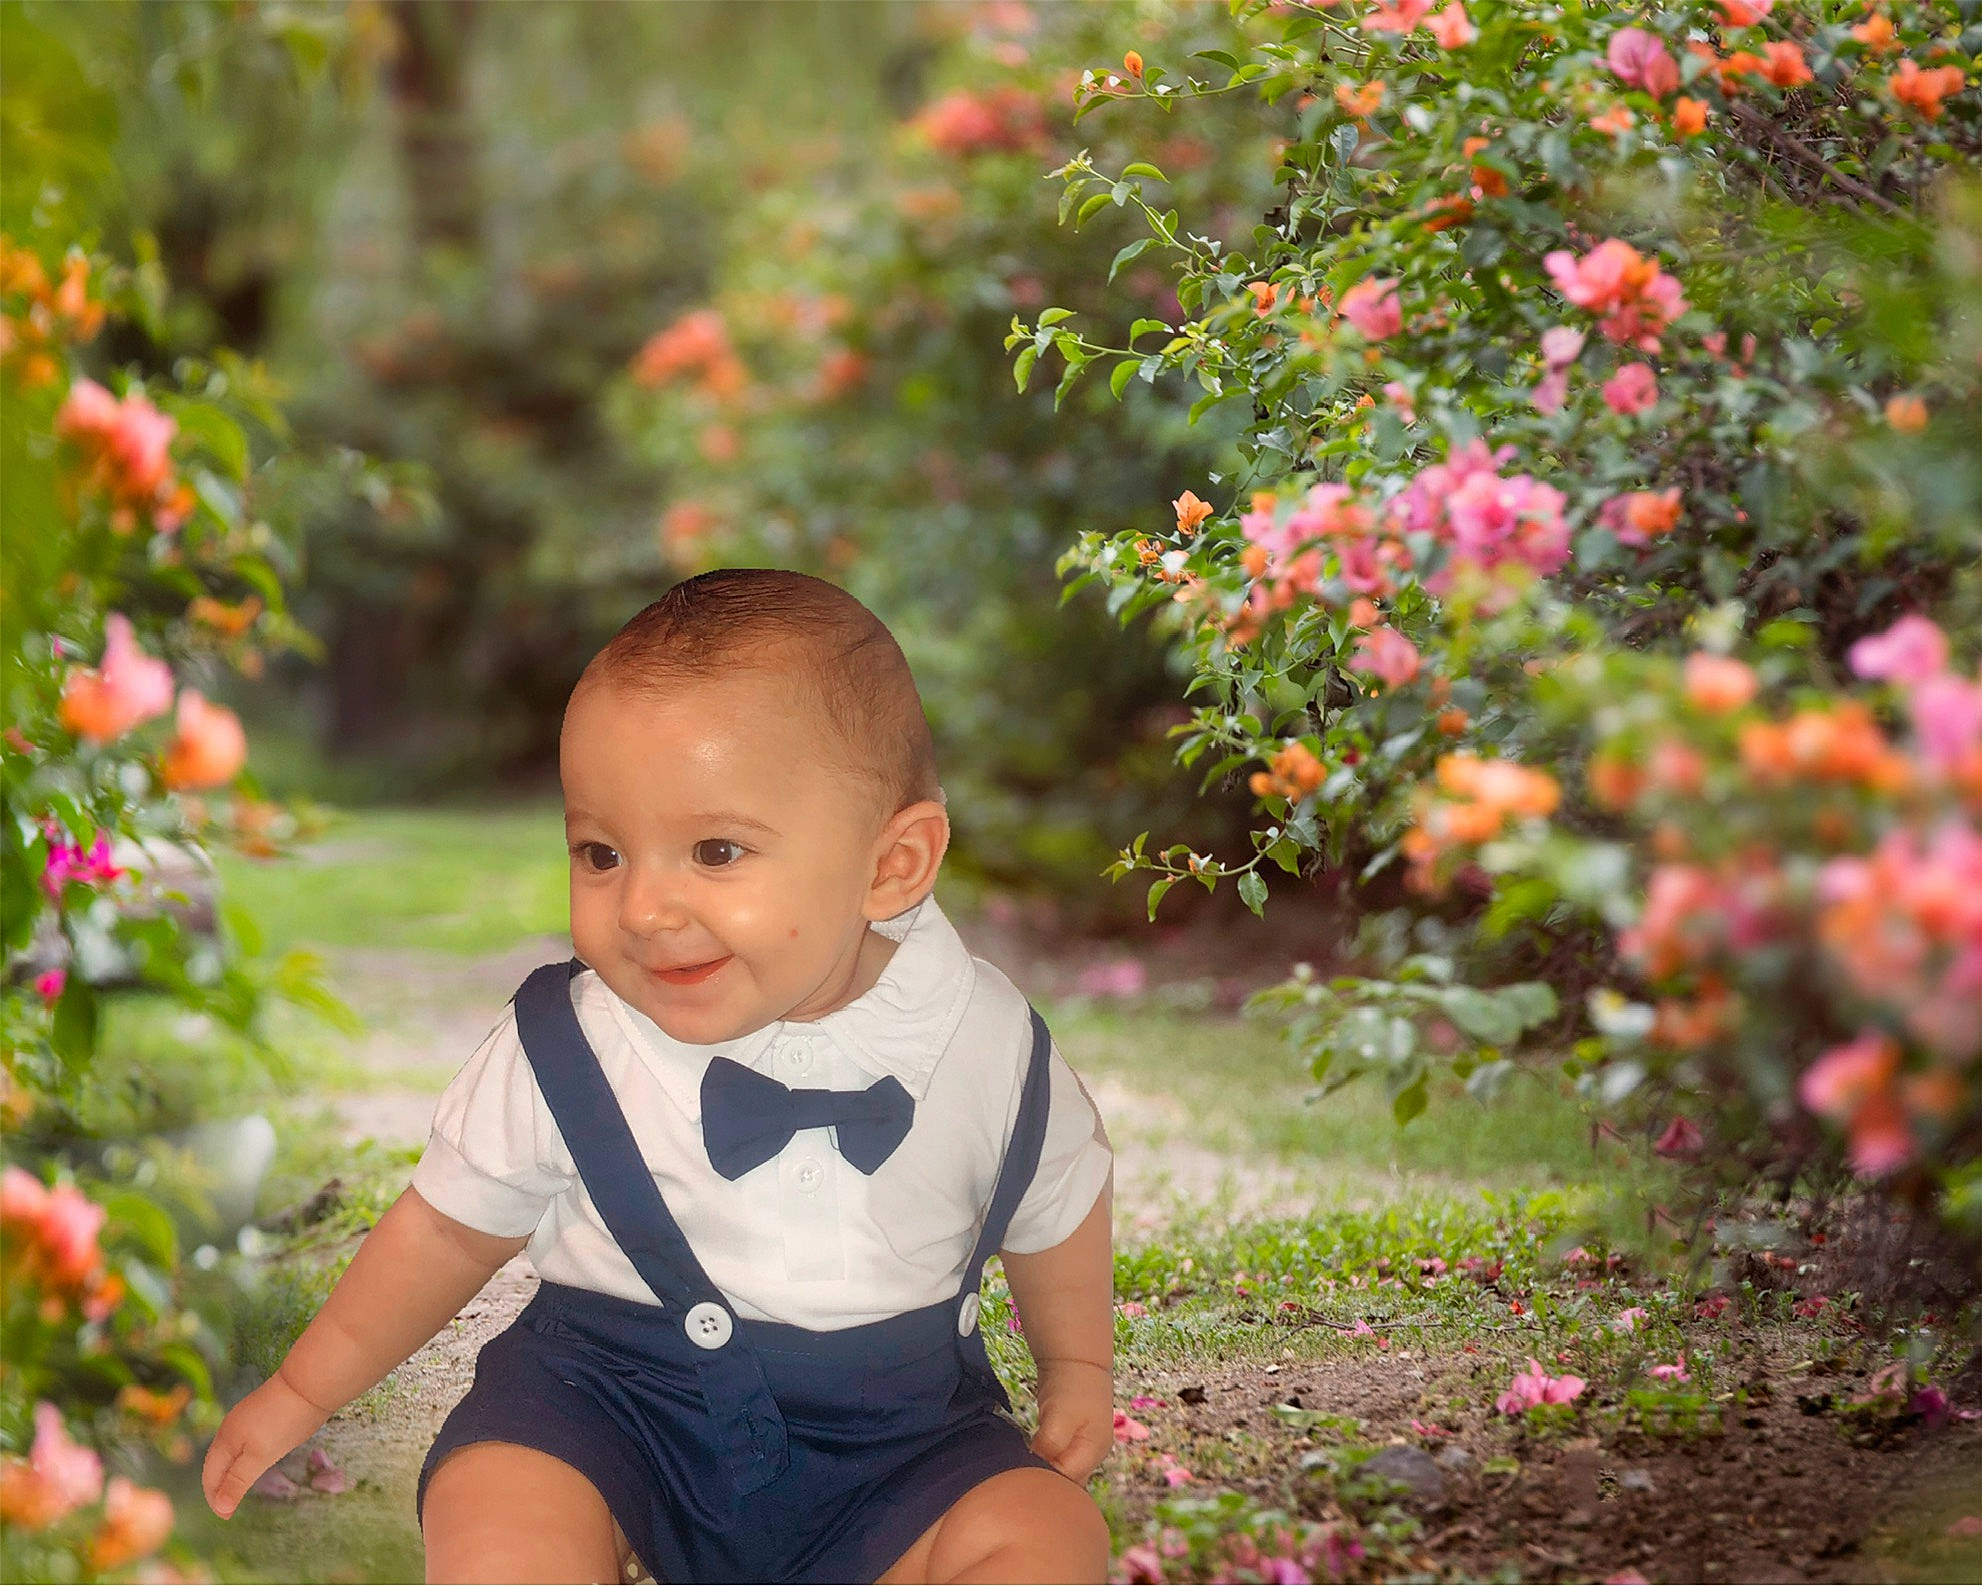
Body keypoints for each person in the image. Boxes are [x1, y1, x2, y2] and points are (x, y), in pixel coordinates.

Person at [202, 568, 1117, 1584]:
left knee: (1046, 1534)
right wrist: (301, 1385)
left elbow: (1059, 1193)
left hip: (899, 1443)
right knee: (501, 1496)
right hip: (606, 1406)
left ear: (891, 865)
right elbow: (445, 1226)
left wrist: (1076, 1367)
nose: (640, 907)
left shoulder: (984, 1039)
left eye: (714, 849)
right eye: (600, 852)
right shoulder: (572, 1044)